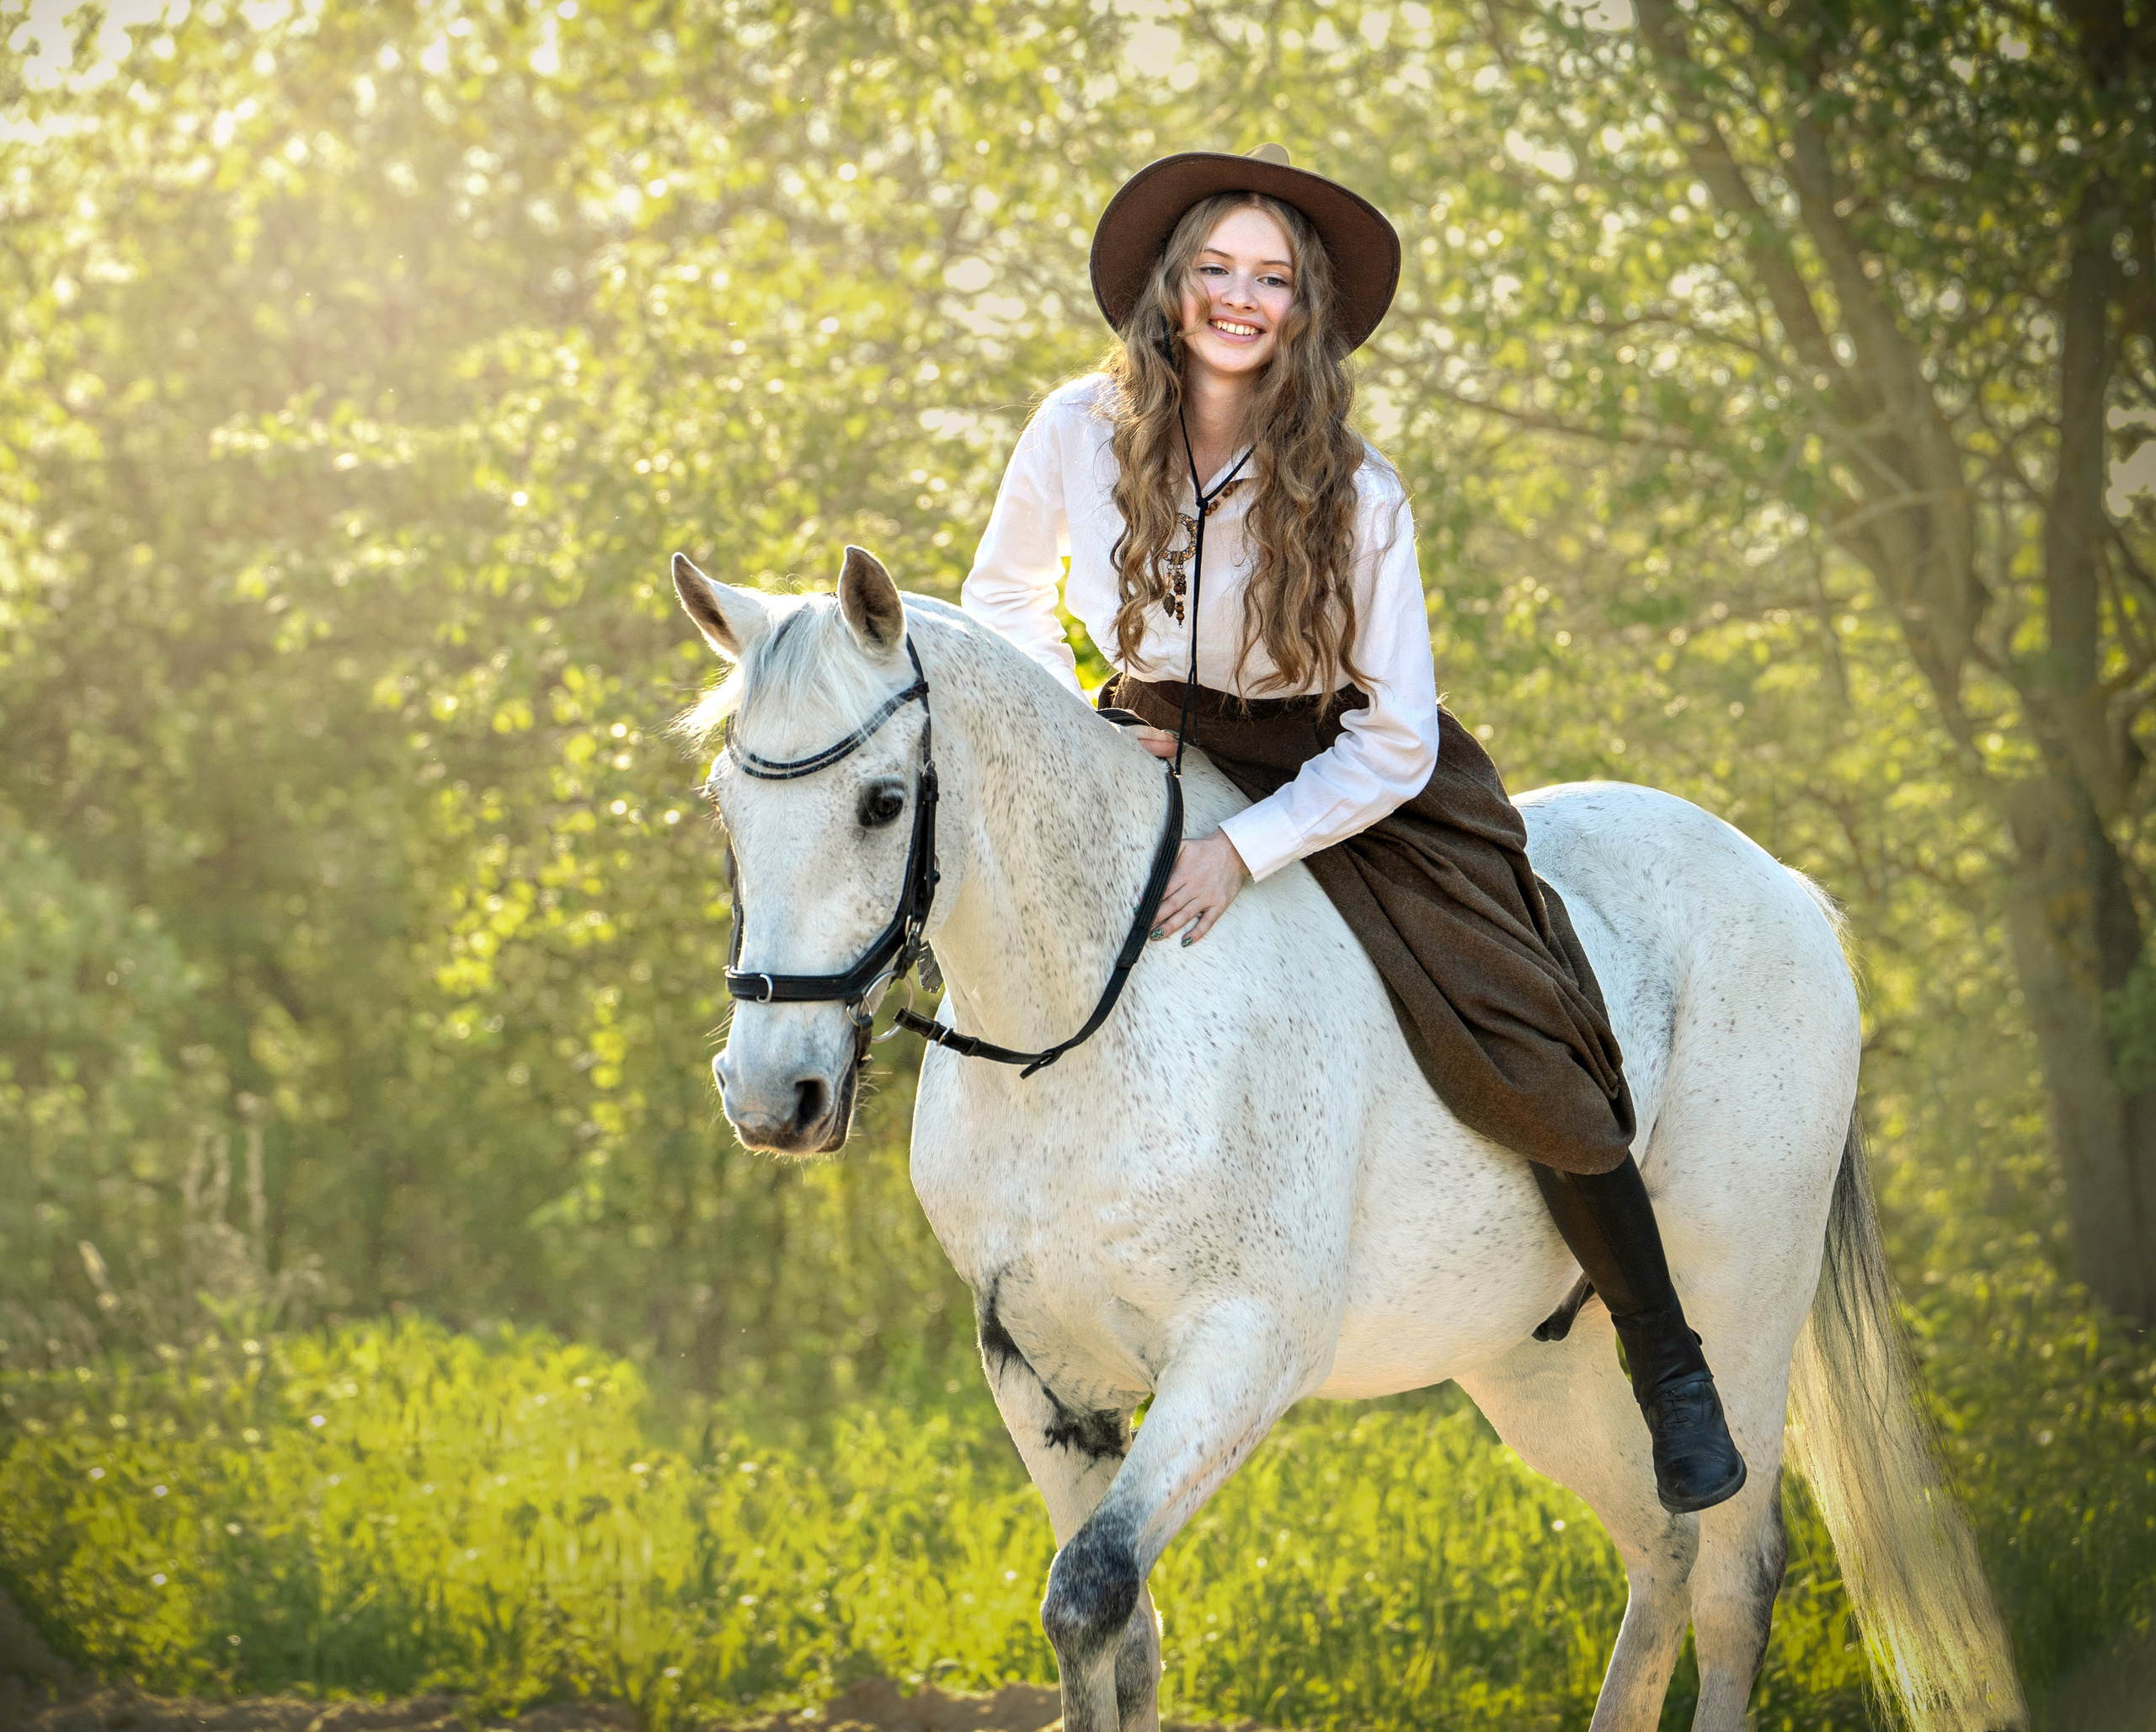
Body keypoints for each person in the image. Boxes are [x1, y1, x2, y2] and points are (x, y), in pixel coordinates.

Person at [959, 145, 1746, 1515]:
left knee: (1523, 1020)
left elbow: (1394, 733)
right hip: (1152, 728)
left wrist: (1243, 849)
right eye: (1217, 270)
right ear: (1172, 284)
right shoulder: (1071, 432)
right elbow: (1001, 599)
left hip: (1346, 768)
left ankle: (1670, 1365)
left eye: (1270, 279)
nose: (1240, 299)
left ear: (1305, 307)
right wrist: (1087, 717)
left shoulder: (1360, 491)